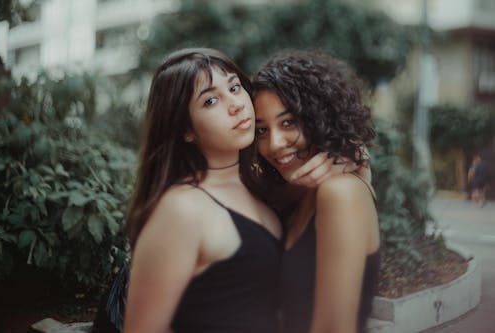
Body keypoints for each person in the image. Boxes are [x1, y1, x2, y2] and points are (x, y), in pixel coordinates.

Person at [121, 48, 353, 333]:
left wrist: (352, 164)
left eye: (234, 87)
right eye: (210, 100)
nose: (235, 104)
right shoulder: (182, 209)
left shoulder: (261, 185)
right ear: (186, 130)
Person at [252, 50, 381, 333]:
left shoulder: (340, 193)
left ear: (319, 117)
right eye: (262, 130)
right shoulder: (296, 194)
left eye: (288, 122)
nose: (274, 144)